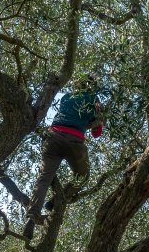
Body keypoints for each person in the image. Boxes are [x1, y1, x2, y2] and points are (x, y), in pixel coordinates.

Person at [23, 75, 103, 240]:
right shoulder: (93, 99)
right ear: (92, 87)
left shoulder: (67, 97)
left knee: (44, 178)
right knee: (83, 177)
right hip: (74, 142)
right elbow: (96, 134)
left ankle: (32, 216)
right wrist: (98, 117)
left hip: (52, 137)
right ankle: (54, 201)